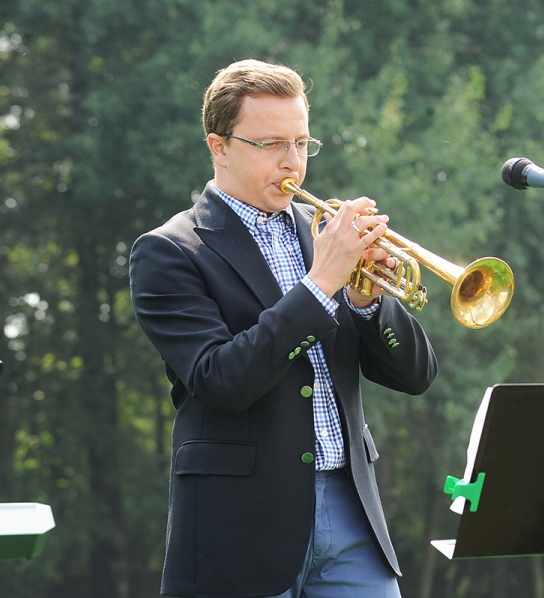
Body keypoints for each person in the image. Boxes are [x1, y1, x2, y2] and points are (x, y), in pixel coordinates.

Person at [129, 59, 438, 598]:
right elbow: (220, 379)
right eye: (270, 144)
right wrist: (322, 283)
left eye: (301, 143)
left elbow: (417, 377)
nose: (292, 161)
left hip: (351, 510)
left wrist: (366, 302)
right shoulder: (169, 251)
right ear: (219, 147)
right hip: (241, 526)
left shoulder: (323, 237)